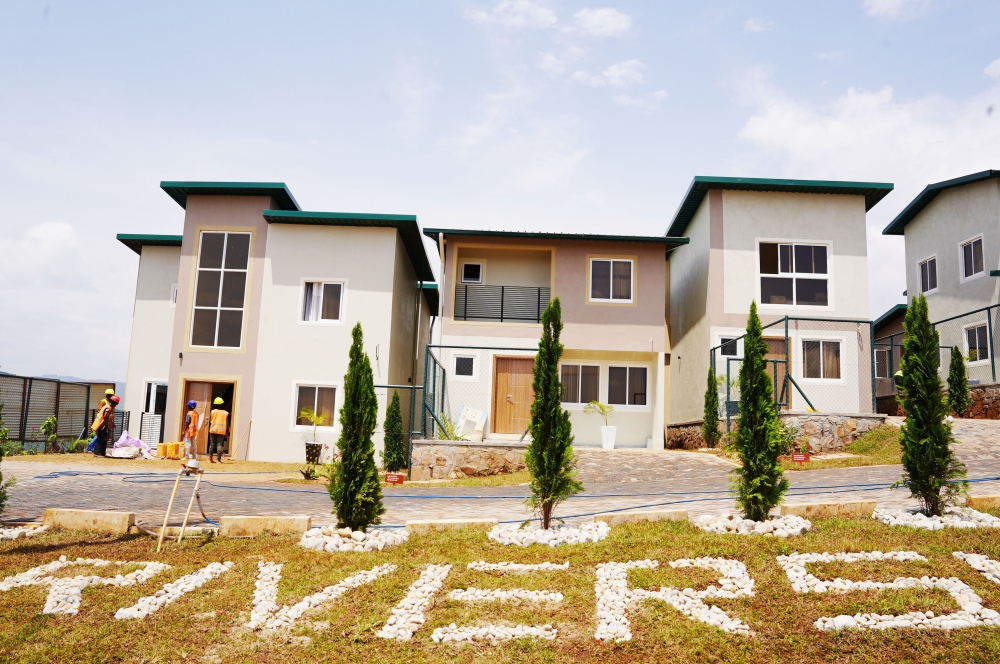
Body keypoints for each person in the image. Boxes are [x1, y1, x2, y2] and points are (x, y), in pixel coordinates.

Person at [208, 397, 229, 463]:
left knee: (212, 444)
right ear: (222, 404)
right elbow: (227, 423)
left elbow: (210, 420)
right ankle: (218, 460)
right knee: (219, 445)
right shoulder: (225, 413)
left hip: (213, 430)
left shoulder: (212, 412)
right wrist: (227, 431)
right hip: (221, 431)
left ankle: (210, 459)